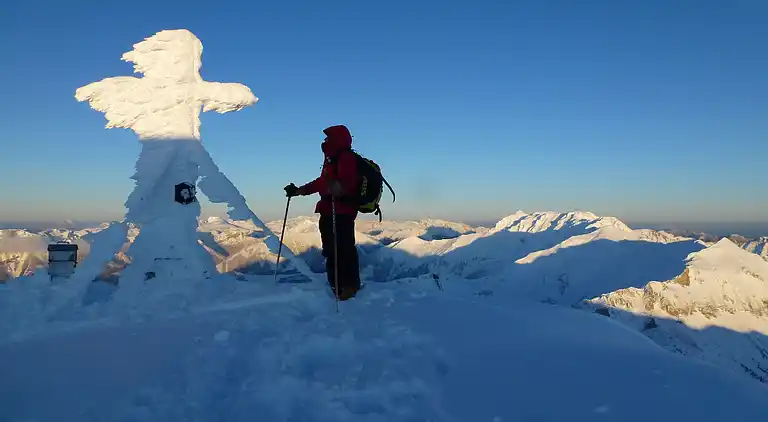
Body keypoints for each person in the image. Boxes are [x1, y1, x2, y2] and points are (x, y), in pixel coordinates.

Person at [285, 125, 361, 301]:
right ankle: (338, 284)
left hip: (341, 211)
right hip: (330, 210)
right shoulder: (332, 159)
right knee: (333, 249)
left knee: (342, 249)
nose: (325, 141)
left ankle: (348, 287)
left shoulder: (345, 158)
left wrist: (336, 187)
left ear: (337, 140)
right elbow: (322, 183)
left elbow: (345, 184)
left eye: (328, 138)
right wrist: (298, 191)